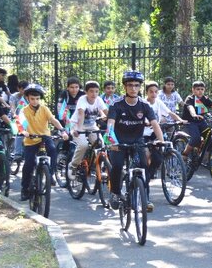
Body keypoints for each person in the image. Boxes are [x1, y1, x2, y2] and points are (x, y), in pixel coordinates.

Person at [106, 71, 165, 212]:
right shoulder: (116, 104)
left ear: (140, 87)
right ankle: (114, 193)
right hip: (118, 142)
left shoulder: (144, 105)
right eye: (130, 85)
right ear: (125, 87)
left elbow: (154, 123)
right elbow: (110, 125)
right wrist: (110, 142)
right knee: (118, 165)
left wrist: (161, 140)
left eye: (136, 85)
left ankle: (146, 198)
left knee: (143, 167)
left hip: (137, 141)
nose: (133, 88)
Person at [19, 84, 69, 201]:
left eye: (37, 99)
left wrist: (62, 130)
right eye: (32, 99)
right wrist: (23, 131)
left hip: (45, 136)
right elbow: (21, 122)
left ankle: (50, 174)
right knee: (28, 164)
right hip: (30, 139)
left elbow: (53, 120)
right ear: (27, 98)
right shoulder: (24, 110)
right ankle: (24, 189)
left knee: (52, 150)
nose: (35, 101)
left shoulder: (44, 108)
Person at [143, 81, 184, 183]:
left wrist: (180, 120)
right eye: (151, 92)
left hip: (155, 133)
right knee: (146, 155)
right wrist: (146, 122)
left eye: (156, 92)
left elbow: (169, 112)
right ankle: (143, 174)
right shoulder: (143, 103)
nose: (154, 94)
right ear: (146, 92)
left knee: (158, 158)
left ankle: (149, 175)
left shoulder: (158, 102)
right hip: (144, 134)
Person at [67, 81, 108, 179]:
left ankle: (99, 167)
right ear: (86, 92)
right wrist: (79, 130)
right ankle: (73, 165)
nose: (94, 94)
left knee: (101, 145)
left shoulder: (98, 100)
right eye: (91, 91)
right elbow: (81, 115)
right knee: (83, 145)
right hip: (77, 125)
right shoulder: (82, 99)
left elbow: (107, 112)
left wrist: (106, 117)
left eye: (96, 91)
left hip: (91, 126)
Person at [180, 80, 212, 156]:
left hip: (201, 121)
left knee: (209, 138)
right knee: (196, 138)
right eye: (198, 89)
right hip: (190, 122)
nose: (200, 91)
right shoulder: (190, 98)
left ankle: (203, 156)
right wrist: (194, 114)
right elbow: (190, 107)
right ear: (193, 90)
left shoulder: (205, 98)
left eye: (202, 89)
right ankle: (185, 154)